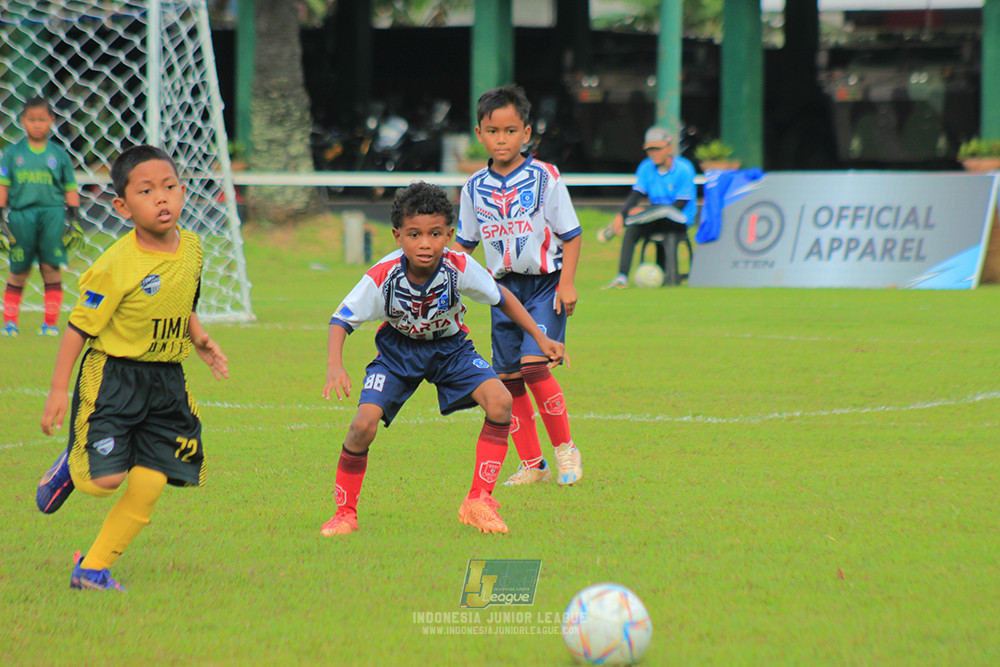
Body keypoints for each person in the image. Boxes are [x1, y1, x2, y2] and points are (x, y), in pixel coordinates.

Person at [321, 181, 564, 537]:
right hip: (396, 353)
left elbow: (502, 297)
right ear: (397, 236)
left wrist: (541, 337)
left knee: (499, 401)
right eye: (414, 234)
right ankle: (345, 514)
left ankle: (479, 499)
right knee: (362, 426)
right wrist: (334, 364)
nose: (425, 243)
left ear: (449, 235)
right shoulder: (383, 275)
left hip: (450, 349)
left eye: (435, 234)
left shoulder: (458, 265)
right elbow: (341, 319)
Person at [36, 145, 229, 592]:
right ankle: (72, 463)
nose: (161, 198)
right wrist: (56, 390)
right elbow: (77, 331)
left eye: (169, 187)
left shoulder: (194, 248)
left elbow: (184, 301)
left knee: (150, 483)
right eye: (146, 191)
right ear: (122, 206)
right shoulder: (116, 265)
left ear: (183, 191)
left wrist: (198, 338)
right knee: (104, 482)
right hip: (114, 378)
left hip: (166, 382)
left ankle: (92, 569)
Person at [453, 85, 583, 488]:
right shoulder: (473, 187)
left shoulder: (546, 177)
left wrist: (567, 284)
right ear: (480, 134)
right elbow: (464, 245)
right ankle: (533, 464)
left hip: (545, 287)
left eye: (511, 131)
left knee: (534, 366)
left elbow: (572, 234)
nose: (502, 139)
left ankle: (566, 451)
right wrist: (444, 284)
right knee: (508, 379)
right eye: (493, 131)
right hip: (502, 292)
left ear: (526, 133)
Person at [0, 96, 84, 336]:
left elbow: (70, 187)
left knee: (50, 267)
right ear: (22, 121)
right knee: (18, 270)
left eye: (42, 120)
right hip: (21, 216)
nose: (37, 124)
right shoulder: (12, 153)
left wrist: (74, 219)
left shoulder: (58, 155)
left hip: (52, 215)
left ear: (52, 121)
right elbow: (3, 186)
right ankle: (10, 323)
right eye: (32, 120)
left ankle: (50, 324)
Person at [600, 126, 697, 289]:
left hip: (678, 218)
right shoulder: (646, 167)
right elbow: (635, 195)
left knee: (661, 211)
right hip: (653, 217)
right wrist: (621, 214)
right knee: (632, 226)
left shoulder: (684, 168)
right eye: (650, 149)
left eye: (657, 149)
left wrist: (646, 211)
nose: (654, 153)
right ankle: (622, 277)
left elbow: (679, 205)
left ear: (669, 148)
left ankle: (623, 223)